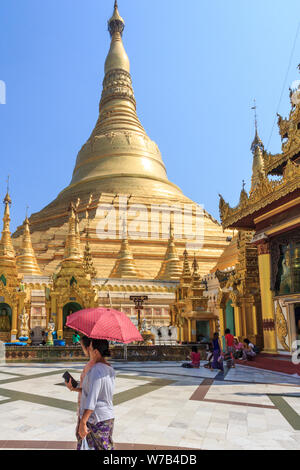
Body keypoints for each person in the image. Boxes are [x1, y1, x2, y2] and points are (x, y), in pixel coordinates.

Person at [77, 339, 115, 451]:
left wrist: (83, 422)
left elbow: (92, 400)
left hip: (96, 419)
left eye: (91, 348)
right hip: (107, 416)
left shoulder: (96, 370)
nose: (89, 350)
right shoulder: (109, 368)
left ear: (96, 352)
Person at [65, 335, 96, 438]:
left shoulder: (94, 368)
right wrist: (74, 388)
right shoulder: (91, 365)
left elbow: (93, 395)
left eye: (82, 347)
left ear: (89, 347)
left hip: (90, 413)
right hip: (85, 409)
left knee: (85, 440)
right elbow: (87, 390)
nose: (82, 350)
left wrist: (83, 421)